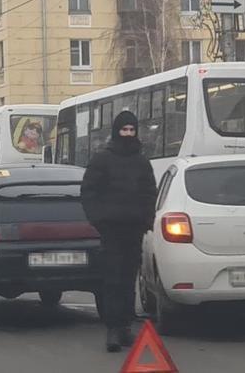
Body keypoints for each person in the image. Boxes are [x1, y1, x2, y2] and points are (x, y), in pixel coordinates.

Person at [81, 110, 157, 353]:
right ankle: (113, 329)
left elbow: (149, 193)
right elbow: (89, 192)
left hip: (134, 228)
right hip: (111, 229)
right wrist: (99, 220)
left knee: (128, 279)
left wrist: (147, 218)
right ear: (116, 131)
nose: (128, 134)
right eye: (124, 130)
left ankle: (125, 327)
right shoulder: (102, 159)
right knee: (112, 278)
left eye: (132, 130)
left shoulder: (142, 162)